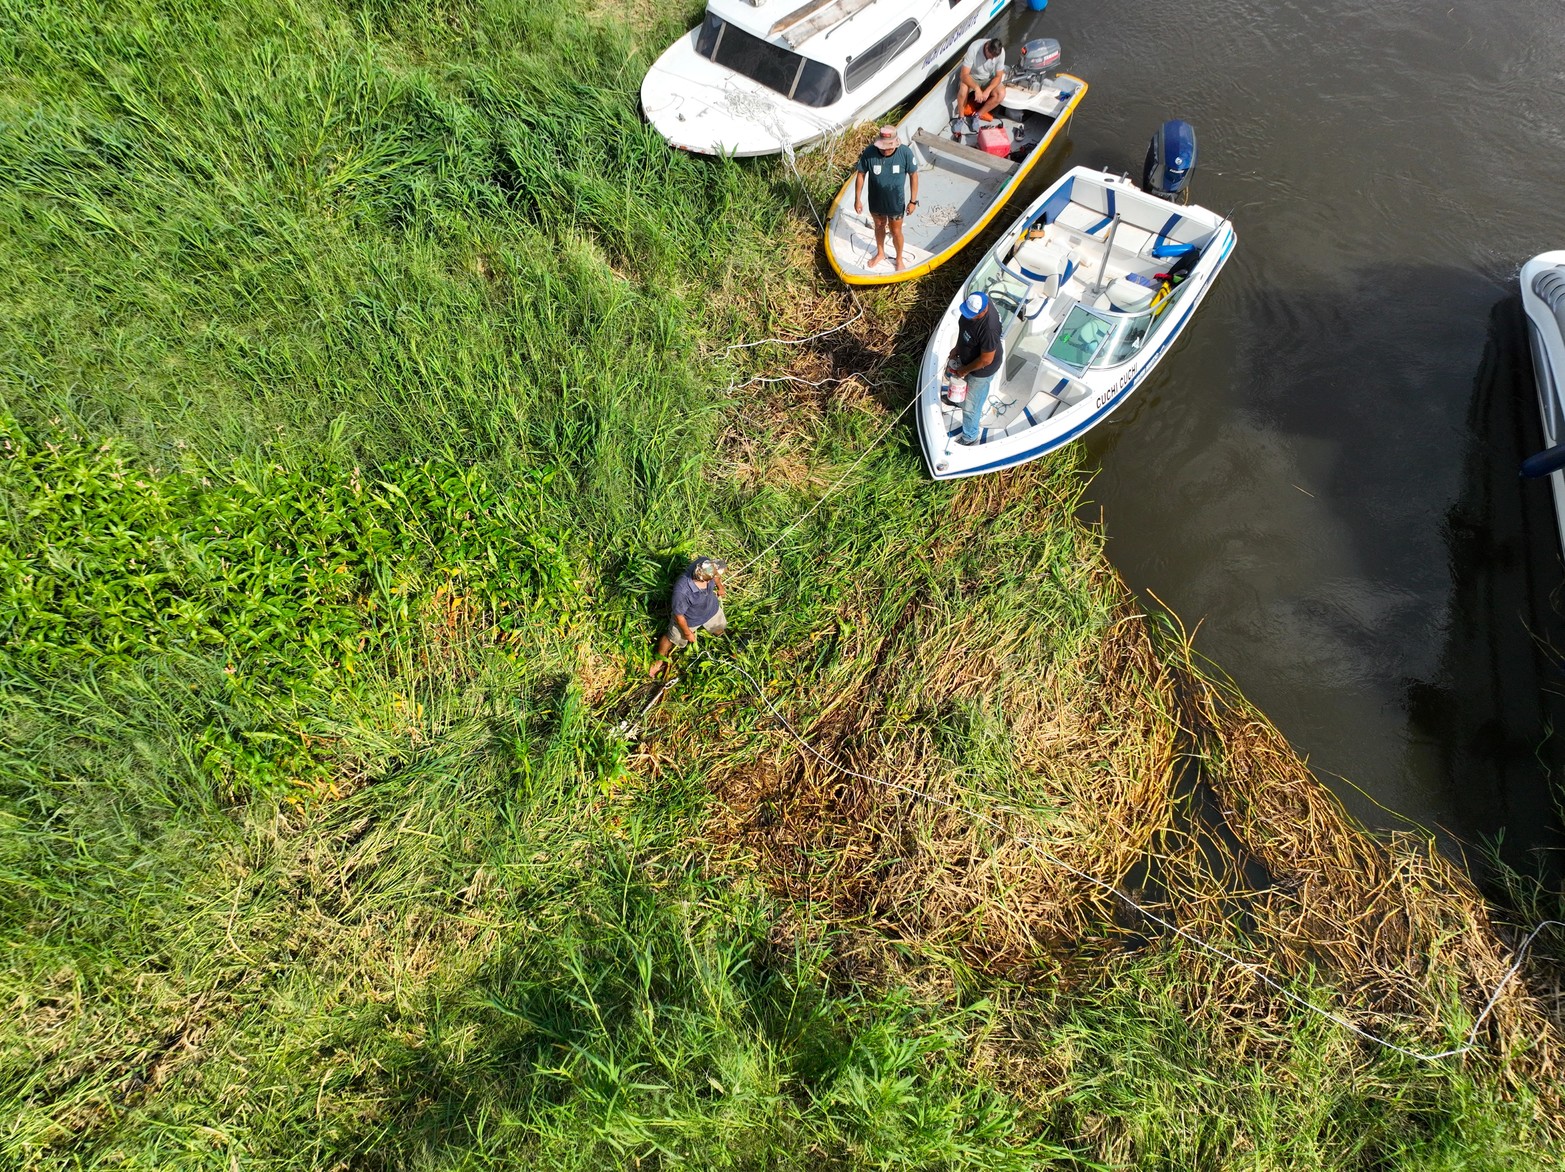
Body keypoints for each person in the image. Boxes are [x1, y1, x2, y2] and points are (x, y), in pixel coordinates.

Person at [852, 126, 920, 271]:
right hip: (876, 201)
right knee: (879, 226)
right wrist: (857, 199)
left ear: (895, 143)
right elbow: (861, 174)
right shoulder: (870, 152)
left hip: (896, 201)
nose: (885, 150)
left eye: (889, 147)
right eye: (883, 147)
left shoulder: (905, 153)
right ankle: (880, 253)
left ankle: (899, 258)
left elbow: (913, 175)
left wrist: (913, 201)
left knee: (896, 231)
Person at [649, 556, 727, 678]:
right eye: (711, 579)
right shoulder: (682, 591)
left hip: (711, 610)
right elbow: (679, 616)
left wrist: (720, 587)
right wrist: (687, 633)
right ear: (703, 580)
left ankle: (724, 641)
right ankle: (659, 660)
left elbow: (716, 576)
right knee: (672, 638)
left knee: (720, 629)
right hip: (689, 619)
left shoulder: (705, 563)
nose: (714, 578)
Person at [948, 292, 1002, 446]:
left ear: (984, 311)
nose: (967, 316)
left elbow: (986, 359)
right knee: (959, 384)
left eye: (972, 314)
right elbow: (964, 328)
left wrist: (964, 370)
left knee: (972, 405)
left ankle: (970, 437)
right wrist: (958, 348)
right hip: (967, 356)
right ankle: (958, 401)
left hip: (981, 370)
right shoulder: (976, 305)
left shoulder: (989, 329)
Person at [956, 37, 1006, 132]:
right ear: (987, 47)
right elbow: (964, 75)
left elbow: (998, 76)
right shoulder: (974, 48)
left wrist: (988, 90)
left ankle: (977, 115)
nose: (991, 59)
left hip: (987, 78)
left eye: (994, 58)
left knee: (1001, 94)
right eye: (990, 56)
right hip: (972, 76)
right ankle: (961, 118)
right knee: (963, 90)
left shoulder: (1001, 52)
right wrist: (977, 88)